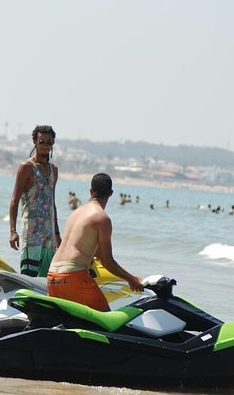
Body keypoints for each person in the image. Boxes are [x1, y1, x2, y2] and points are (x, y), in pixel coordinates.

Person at [47, 173, 143, 311]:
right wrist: (131, 279)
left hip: (52, 276)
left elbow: (96, 254)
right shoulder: (102, 219)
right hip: (73, 276)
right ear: (111, 193)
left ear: (91, 192)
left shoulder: (76, 213)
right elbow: (107, 261)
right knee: (105, 319)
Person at [9, 125, 61, 277]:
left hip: (49, 236)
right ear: (34, 142)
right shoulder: (26, 168)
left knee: (46, 282)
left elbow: (52, 203)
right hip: (32, 235)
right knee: (28, 278)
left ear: (53, 144)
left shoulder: (54, 170)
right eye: (42, 142)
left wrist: (57, 234)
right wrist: (13, 232)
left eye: (49, 143)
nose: (45, 146)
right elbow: (14, 200)